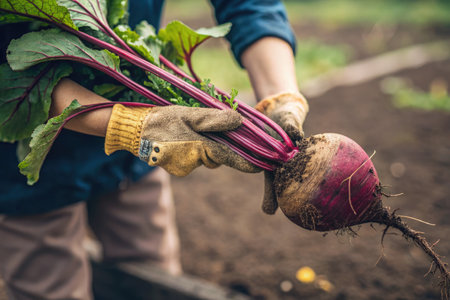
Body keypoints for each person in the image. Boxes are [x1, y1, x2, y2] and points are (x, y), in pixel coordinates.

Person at [0, 0, 309, 299]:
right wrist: (135, 125)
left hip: (137, 154)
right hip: (30, 161)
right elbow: (12, 73)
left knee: (155, 276)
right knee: (49, 284)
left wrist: (280, 96)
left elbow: (249, 4)